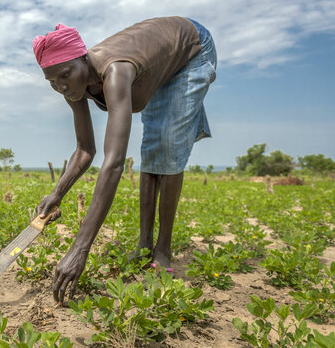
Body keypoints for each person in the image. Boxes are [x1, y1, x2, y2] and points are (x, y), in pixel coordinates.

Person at [32, 16, 217, 303]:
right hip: (160, 61)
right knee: (152, 147)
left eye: (65, 75)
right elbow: (85, 150)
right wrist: (56, 193)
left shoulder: (116, 72)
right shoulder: (71, 82)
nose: (62, 87)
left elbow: (114, 162)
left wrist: (80, 248)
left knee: (166, 144)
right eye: (52, 82)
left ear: (83, 59)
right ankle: (145, 244)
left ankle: (162, 248)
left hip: (191, 48)